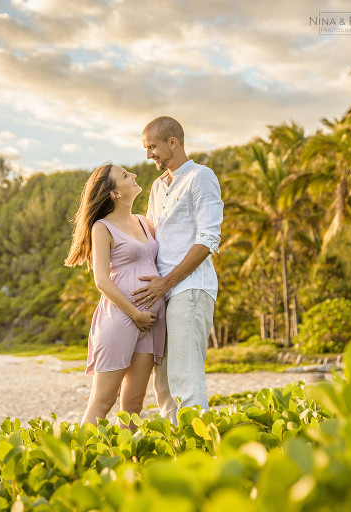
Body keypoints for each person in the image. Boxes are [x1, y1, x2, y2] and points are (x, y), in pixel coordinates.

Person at [132, 116, 223, 423]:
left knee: (186, 377)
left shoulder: (201, 176)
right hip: (163, 295)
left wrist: (166, 282)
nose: (149, 155)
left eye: (152, 147)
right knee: (165, 382)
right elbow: (150, 237)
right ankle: (177, 450)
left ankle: (199, 454)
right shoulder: (158, 187)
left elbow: (208, 239)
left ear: (173, 142)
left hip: (190, 289)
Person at [65, 162, 167, 426]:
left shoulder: (145, 223)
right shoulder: (102, 227)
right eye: (124, 175)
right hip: (122, 318)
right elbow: (101, 280)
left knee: (134, 403)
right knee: (103, 401)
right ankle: (78, 460)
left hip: (150, 322)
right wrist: (135, 314)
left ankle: (127, 462)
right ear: (114, 193)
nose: (133, 175)